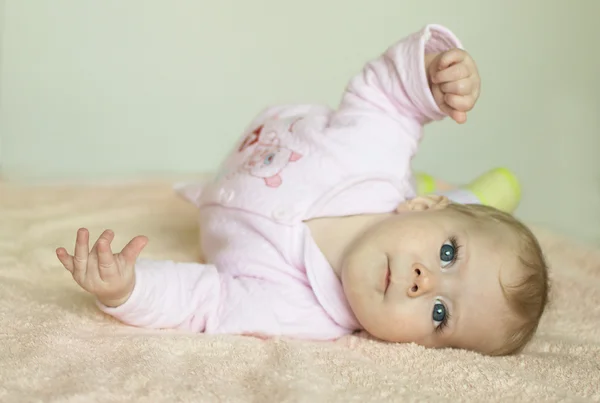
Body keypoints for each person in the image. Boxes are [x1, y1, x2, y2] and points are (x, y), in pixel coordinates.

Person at [56, 24, 549, 356]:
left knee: (469, 220)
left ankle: (468, 205)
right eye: (447, 252)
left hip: (216, 196)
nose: (424, 281)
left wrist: (128, 290)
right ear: (422, 207)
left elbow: (204, 301)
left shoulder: (301, 315)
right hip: (282, 134)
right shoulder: (370, 153)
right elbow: (386, 93)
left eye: (440, 314)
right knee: (460, 205)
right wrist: (433, 75)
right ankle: (467, 198)